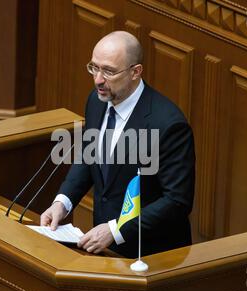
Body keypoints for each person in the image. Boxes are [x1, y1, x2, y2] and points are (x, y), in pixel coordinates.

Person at [40, 31, 195, 258]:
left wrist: (116, 230)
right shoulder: (96, 101)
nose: (98, 80)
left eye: (109, 71)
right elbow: (89, 155)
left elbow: (177, 202)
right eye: (94, 68)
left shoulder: (169, 125)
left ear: (135, 72)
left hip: (150, 256)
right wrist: (63, 202)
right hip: (102, 249)